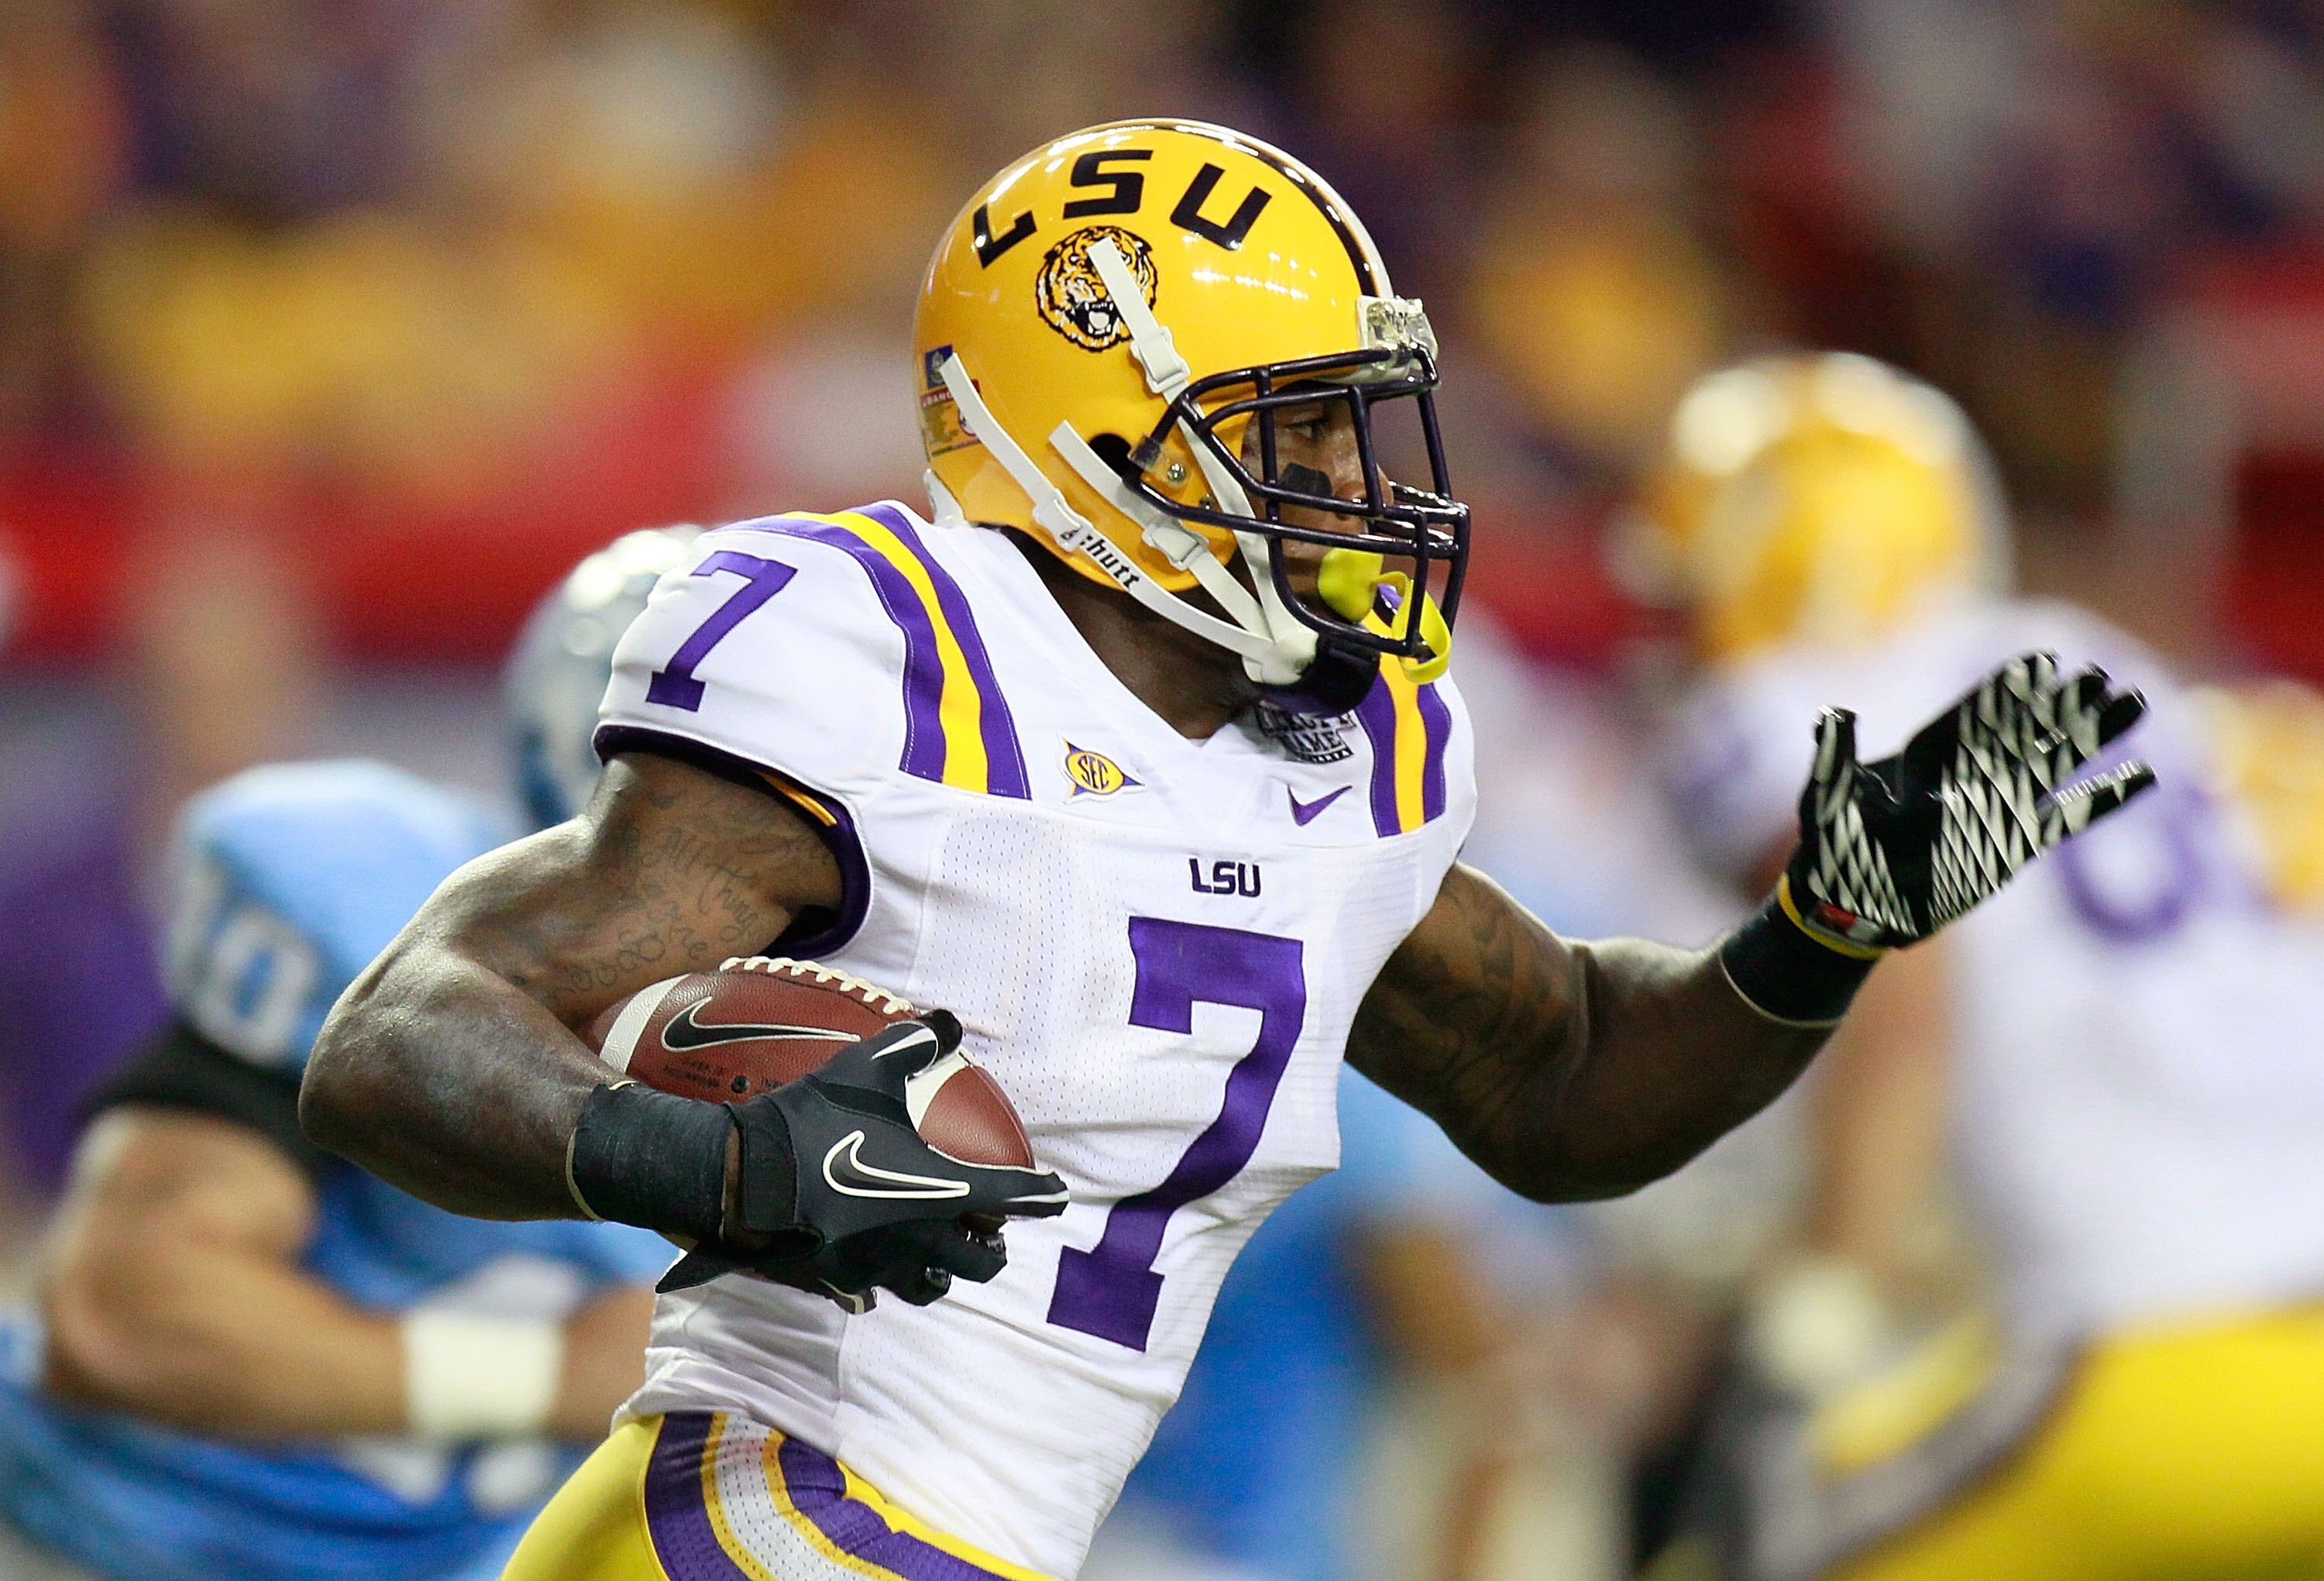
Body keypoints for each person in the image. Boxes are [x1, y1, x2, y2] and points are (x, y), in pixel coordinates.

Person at [300, 122, 2150, 1581]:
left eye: (1362, 428)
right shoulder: (894, 668)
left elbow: (1568, 1083)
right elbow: (404, 1031)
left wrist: (1825, 928)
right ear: (1093, 443)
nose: (1362, 485)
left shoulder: (1333, 762)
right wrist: (703, 1162)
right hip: (767, 1509)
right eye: (1298, 435)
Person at [1628, 352, 2324, 1581]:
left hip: (2154, 1349)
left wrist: (1829, 1286)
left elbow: (1891, 953)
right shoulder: (2072, 657)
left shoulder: (1807, 702)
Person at [0, 528, 697, 1581]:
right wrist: (548, 1372)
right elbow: (116, 1310)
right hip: (118, 1537)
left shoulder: (906, 1061)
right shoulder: (380, 916)